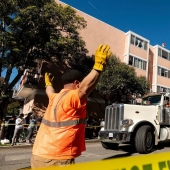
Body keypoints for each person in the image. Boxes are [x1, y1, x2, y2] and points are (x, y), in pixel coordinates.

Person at [31, 44, 112, 169]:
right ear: (76, 83)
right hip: (57, 158)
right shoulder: (72, 97)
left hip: (38, 155)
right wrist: (98, 67)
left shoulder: (55, 97)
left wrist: (48, 83)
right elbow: (84, 89)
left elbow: (49, 90)